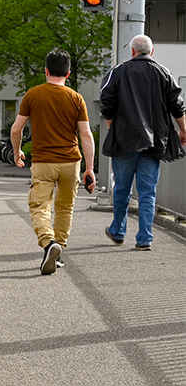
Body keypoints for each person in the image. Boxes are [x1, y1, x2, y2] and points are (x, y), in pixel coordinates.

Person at [10, 48, 95, 275]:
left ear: (46, 71)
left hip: (44, 162)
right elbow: (86, 135)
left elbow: (16, 128)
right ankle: (59, 254)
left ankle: (49, 244)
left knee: (39, 206)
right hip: (71, 162)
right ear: (68, 74)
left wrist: (17, 152)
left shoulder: (33, 95)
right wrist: (90, 168)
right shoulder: (76, 98)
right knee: (65, 208)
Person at [100, 34, 186, 251]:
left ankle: (118, 232)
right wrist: (183, 130)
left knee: (122, 188)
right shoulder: (163, 72)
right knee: (148, 191)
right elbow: (177, 104)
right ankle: (145, 238)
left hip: (125, 141)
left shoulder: (118, 72)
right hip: (154, 143)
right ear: (152, 51)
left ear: (132, 51)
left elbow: (106, 101)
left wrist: (112, 126)